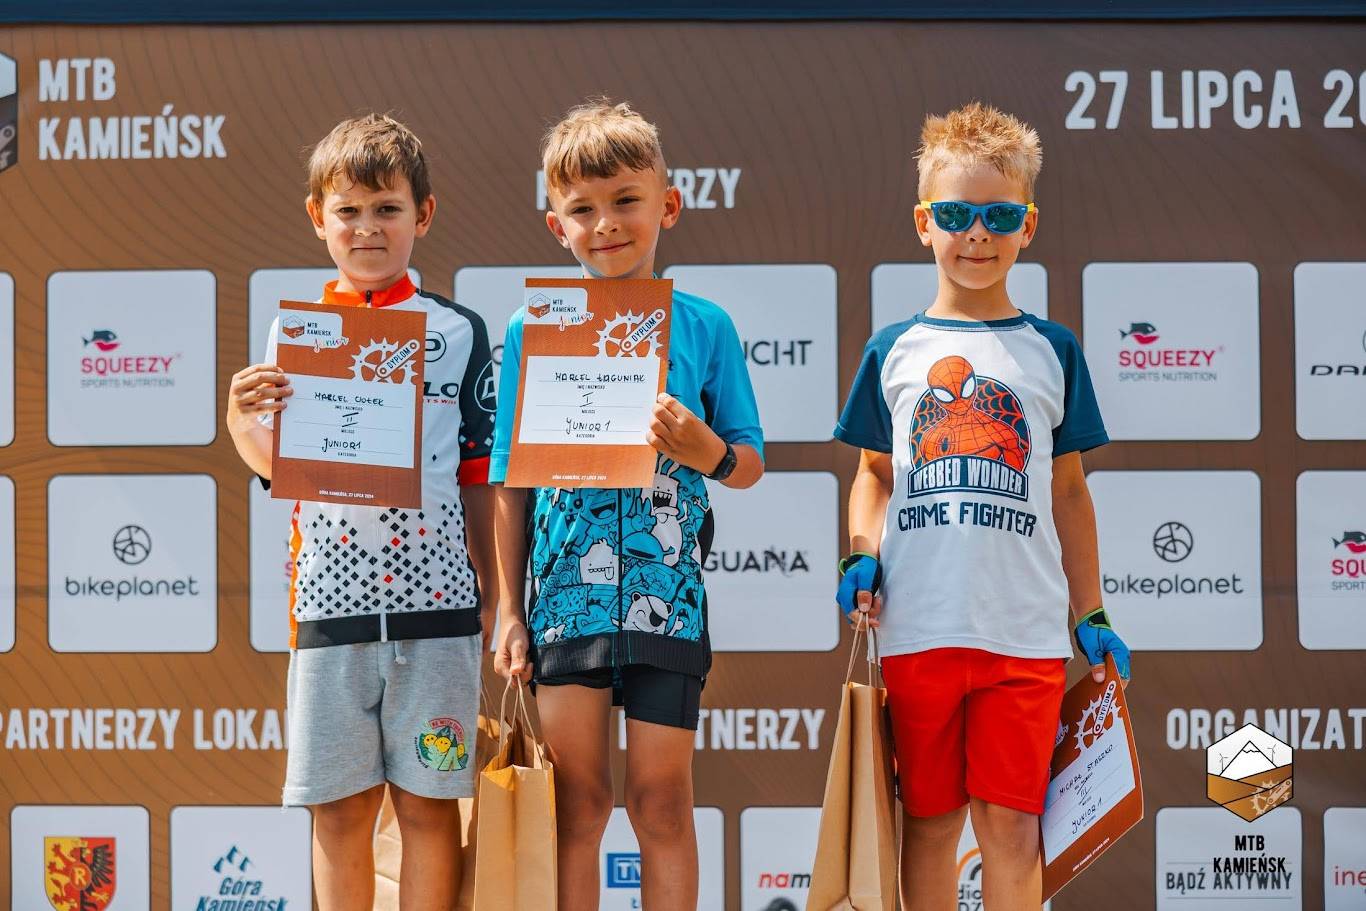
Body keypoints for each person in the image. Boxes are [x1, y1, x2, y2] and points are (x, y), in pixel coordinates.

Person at [832, 101, 1132, 911]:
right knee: (930, 823)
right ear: (923, 222)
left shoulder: (1053, 350)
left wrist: (1090, 610)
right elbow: (872, 474)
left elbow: (1069, 491)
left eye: (999, 216)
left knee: (1012, 827)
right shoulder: (893, 350)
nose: (976, 234)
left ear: (1027, 226)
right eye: (957, 214)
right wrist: (860, 551)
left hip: (1024, 634)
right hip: (917, 628)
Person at [489, 99, 763, 911]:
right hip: (563, 603)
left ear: (668, 206)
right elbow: (510, 480)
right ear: (556, 226)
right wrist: (510, 611)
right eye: (582, 209)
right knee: (576, 804)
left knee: (661, 801)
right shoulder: (533, 326)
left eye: (625, 201)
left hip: (667, 600)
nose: (605, 223)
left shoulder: (706, 326)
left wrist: (707, 451)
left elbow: (748, 463)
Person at [224, 113, 497, 911]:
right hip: (330, 610)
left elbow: (478, 476)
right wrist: (240, 424)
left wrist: (496, 596)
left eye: (387, 209)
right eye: (348, 210)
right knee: (340, 812)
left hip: (438, 614)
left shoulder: (457, 330)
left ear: (424, 214)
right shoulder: (295, 331)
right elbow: (288, 466)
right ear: (318, 217)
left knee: (428, 808)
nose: (367, 228)